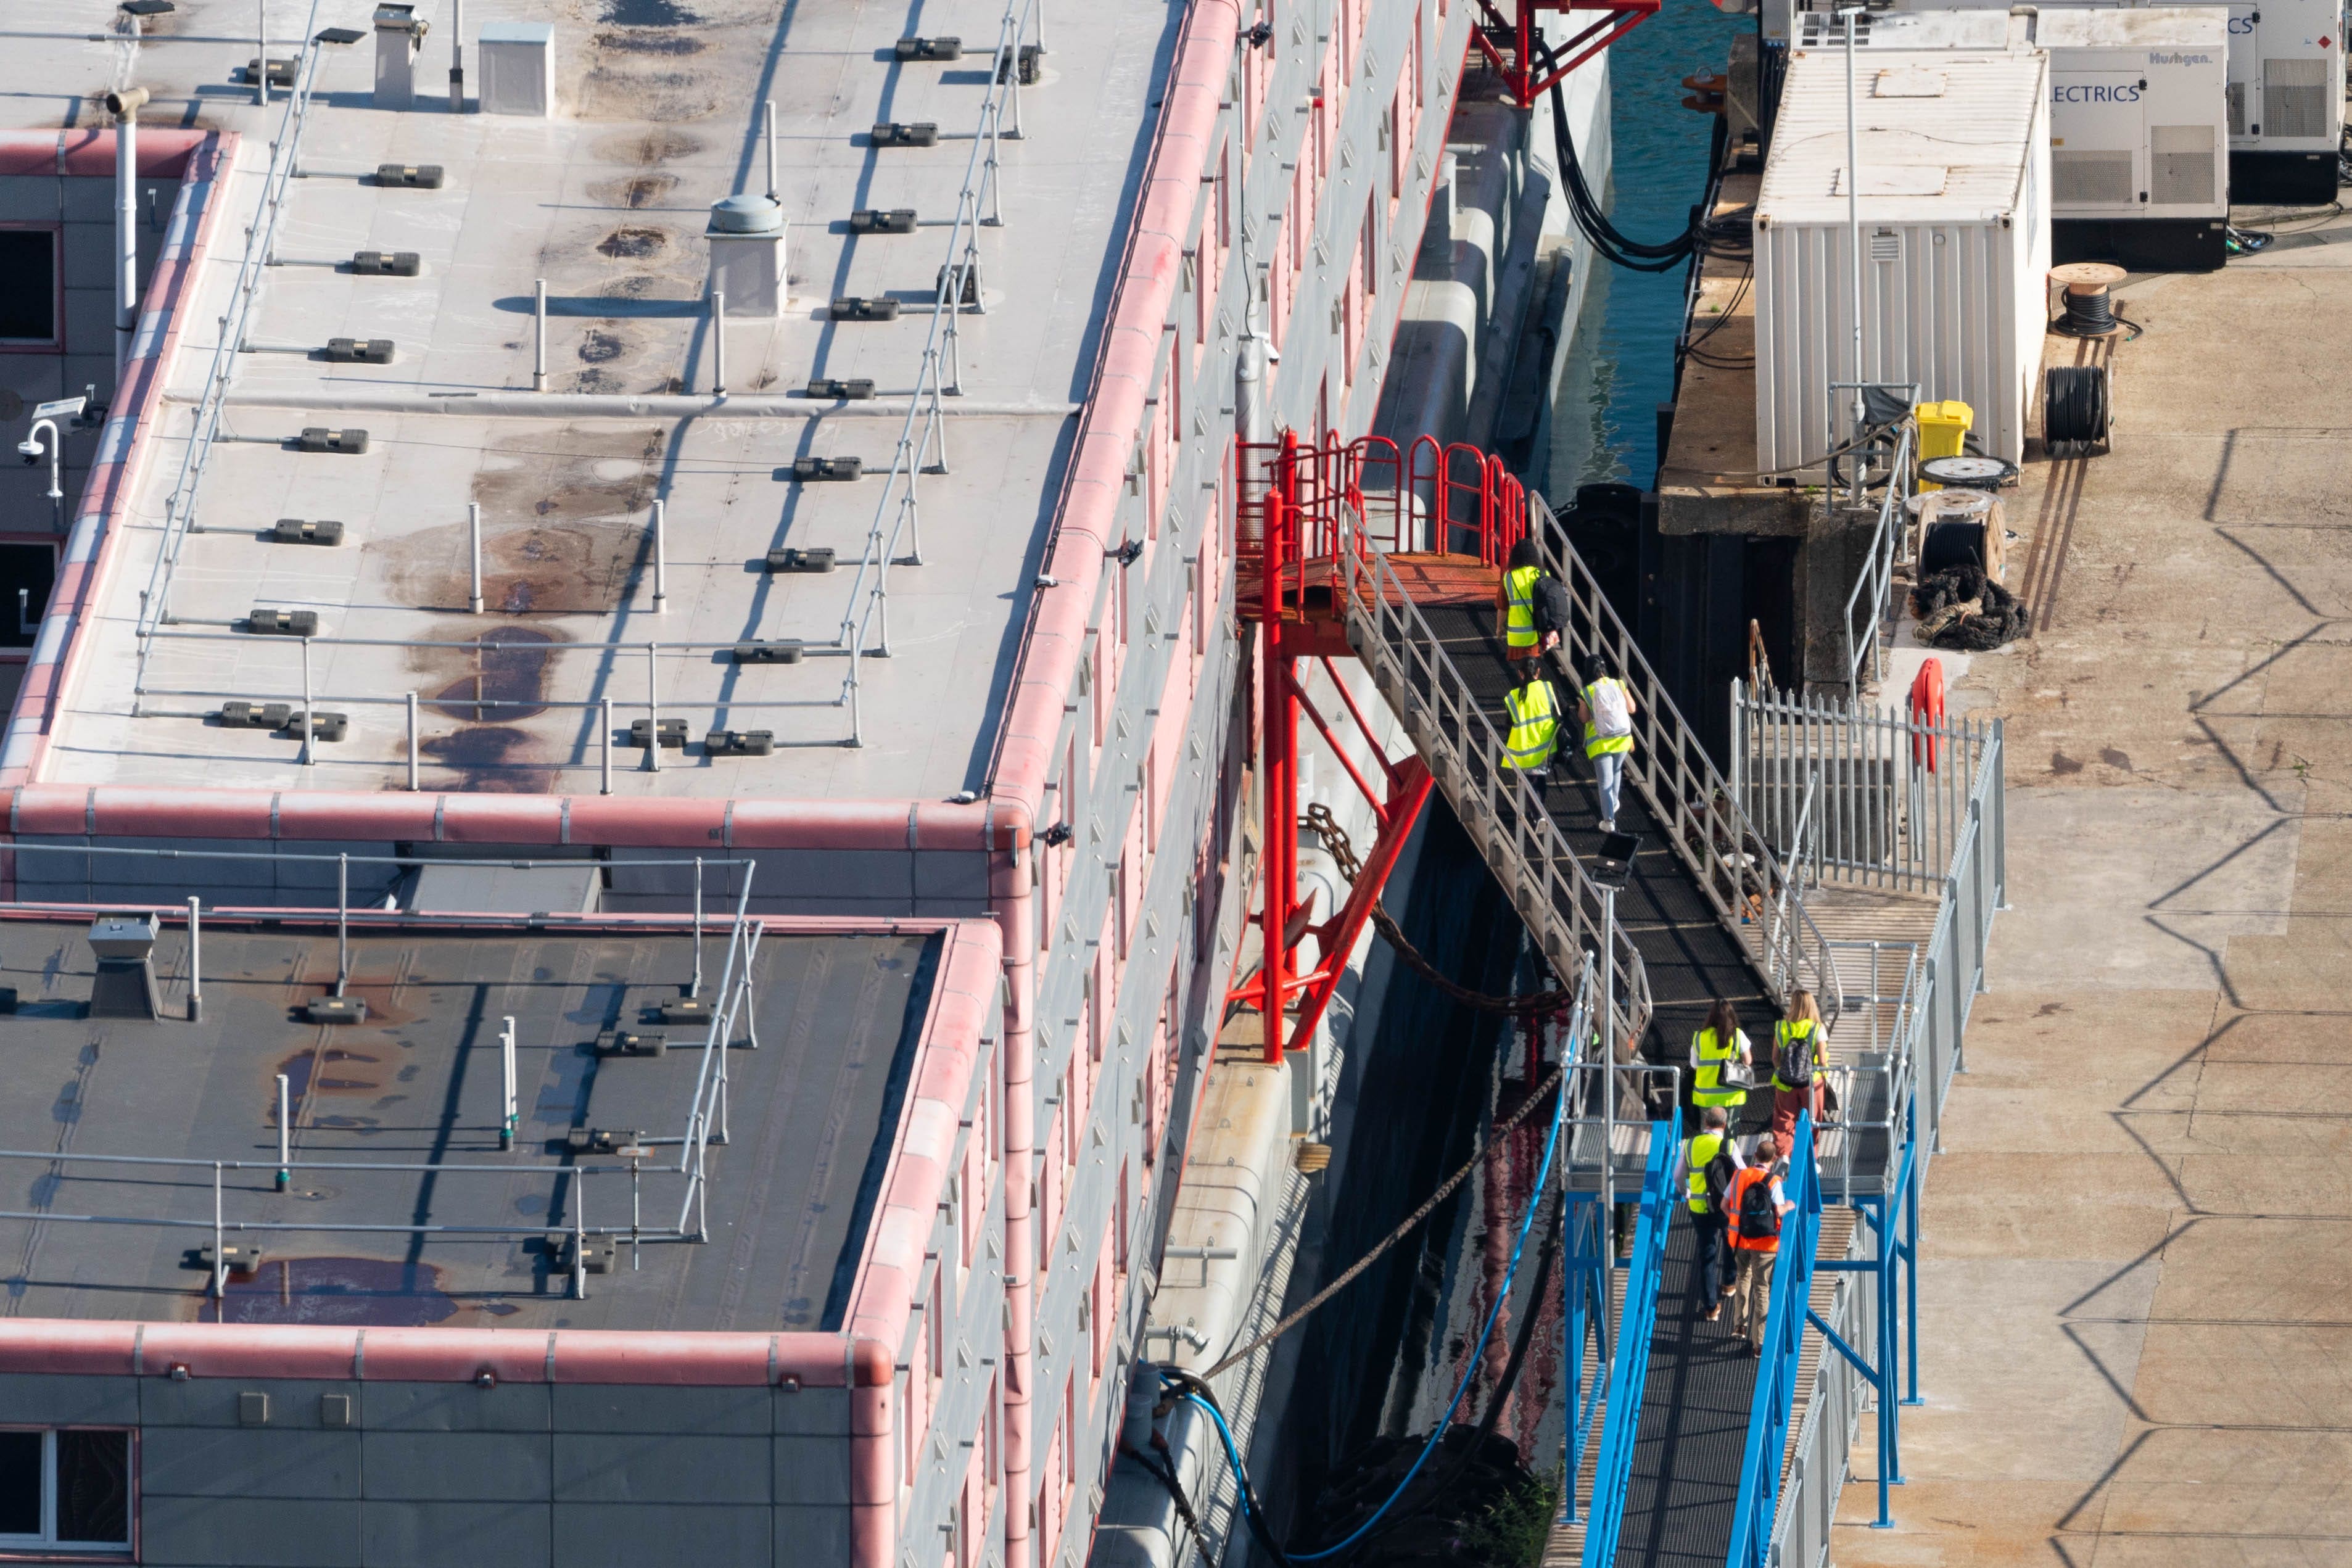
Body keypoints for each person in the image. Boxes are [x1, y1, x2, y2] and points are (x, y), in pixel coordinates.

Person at [1725, 1133, 1796, 1356]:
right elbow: (1778, 1210)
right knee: (1762, 1289)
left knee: (1742, 1278)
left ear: (1755, 1155)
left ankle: (1740, 1324)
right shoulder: (1775, 1181)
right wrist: (1790, 1206)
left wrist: (1734, 1221)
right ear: (1774, 1160)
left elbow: (1724, 1204)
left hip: (1739, 1239)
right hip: (1766, 1244)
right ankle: (1759, 1344)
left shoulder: (1738, 1175)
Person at [1675, 1106, 1742, 1320]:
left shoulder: (1689, 1144)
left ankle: (1711, 1308)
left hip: (1699, 1208)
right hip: (1724, 1206)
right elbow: (1742, 1173)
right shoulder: (1728, 1145)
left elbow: (1677, 1176)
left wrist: (1686, 1193)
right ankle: (1729, 1284)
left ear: (1705, 1123)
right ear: (1724, 1125)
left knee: (1707, 1255)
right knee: (1731, 1241)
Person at [1575, 654, 1636, 833]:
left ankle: (1609, 821)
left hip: (1600, 741)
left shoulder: (1587, 691)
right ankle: (1614, 802)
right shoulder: (1619, 684)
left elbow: (1584, 718)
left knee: (1604, 782)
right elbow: (1632, 708)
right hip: (1622, 738)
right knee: (1617, 771)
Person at [1497, 537, 1569, 667]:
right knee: (1534, 668)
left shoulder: (1509, 577)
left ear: (1514, 557)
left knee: (1521, 670)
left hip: (1516, 639)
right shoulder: (1542, 574)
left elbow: (1502, 608)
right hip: (1538, 633)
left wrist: (1499, 628)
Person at [1770, 990, 1829, 1144]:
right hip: (1811, 1082)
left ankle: (1784, 1156)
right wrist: (1825, 1077)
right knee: (1812, 1121)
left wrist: (1783, 1071)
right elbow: (1822, 1060)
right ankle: (1808, 1158)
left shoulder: (1781, 1026)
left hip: (1785, 1082)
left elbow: (1775, 1057)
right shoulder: (1817, 1028)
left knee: (1784, 1121)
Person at [1688, 998, 1752, 1131]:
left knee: (1708, 1135)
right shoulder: (1738, 1035)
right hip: (1732, 1096)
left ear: (1711, 1016)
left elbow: (1694, 1065)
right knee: (1729, 1139)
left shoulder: (1700, 1037)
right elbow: (1748, 1061)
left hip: (1706, 1096)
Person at [1500, 657, 1560, 782]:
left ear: (1520, 674)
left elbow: (1509, 725)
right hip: (1546, 748)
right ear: (1538, 672)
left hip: (1523, 753)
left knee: (1528, 786)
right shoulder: (1547, 688)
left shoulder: (1513, 696)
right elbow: (1563, 711)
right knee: (1540, 783)